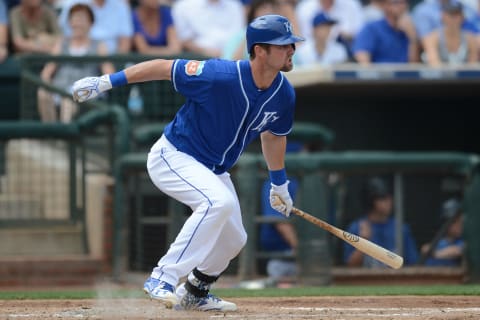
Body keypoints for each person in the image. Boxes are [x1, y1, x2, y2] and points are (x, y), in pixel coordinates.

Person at [71, 14, 303, 312]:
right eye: (283, 45)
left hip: (214, 169)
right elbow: (163, 67)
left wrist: (279, 182)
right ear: (260, 50)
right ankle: (162, 277)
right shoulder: (220, 75)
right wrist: (106, 82)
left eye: (292, 45)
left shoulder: (284, 93)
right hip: (174, 156)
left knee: (234, 239)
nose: (291, 51)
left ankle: (194, 292)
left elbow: (273, 136)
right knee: (217, 203)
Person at [37, 3, 114, 123]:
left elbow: (109, 73)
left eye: (82, 19)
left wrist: (94, 87)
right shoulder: (61, 43)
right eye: (74, 19)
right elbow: (47, 72)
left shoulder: (99, 45)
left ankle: (64, 137)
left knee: (69, 97)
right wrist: (49, 87)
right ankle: (51, 134)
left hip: (85, 92)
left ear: (90, 23)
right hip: (59, 89)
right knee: (43, 93)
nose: (78, 23)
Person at [344, 177, 419, 267]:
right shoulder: (356, 228)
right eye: (382, 198)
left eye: (389, 197)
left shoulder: (400, 228)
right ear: (371, 201)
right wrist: (363, 242)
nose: (389, 202)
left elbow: (413, 265)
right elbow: (350, 267)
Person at [259, 142, 302, 285]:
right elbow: (280, 223)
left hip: (297, 256)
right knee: (284, 284)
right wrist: (301, 250)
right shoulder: (276, 184)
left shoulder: (300, 181)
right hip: (282, 256)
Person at [172, 0, 246, 58]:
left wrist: (228, 53)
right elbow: (184, 40)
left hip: (233, 56)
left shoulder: (235, 5)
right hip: (199, 58)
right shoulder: (183, 6)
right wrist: (207, 52)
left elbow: (239, 35)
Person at [352, 0, 419, 64]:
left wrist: (412, 38)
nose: (402, 6)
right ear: (385, 6)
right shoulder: (372, 28)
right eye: (396, 2)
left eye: (404, 2)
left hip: (405, 75)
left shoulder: (412, 29)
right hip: (379, 74)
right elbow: (363, 62)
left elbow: (414, 66)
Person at [58, 0, 133, 54]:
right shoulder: (73, 3)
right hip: (70, 58)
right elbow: (62, 35)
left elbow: (125, 44)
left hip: (110, 59)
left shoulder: (121, 6)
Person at [422, 0, 478, 66]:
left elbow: (472, 67)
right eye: (450, 14)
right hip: (440, 76)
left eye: (457, 14)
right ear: (443, 16)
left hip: (465, 76)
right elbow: (435, 64)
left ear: (462, 17)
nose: (453, 18)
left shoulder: (471, 39)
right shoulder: (431, 38)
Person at [421, 198, 465, 267]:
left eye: (460, 221)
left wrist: (435, 254)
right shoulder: (438, 244)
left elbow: (458, 250)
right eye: (455, 222)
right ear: (446, 223)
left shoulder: (464, 241)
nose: (459, 225)